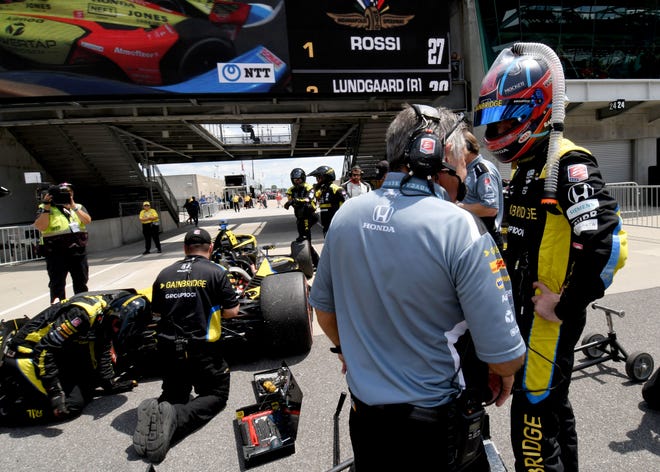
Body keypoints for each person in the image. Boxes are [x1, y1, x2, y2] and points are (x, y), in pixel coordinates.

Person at [309, 104, 527, 471]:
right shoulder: (460, 227)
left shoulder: (345, 216)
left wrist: (354, 354)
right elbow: (505, 355)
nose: (464, 171)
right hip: (436, 430)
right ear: (430, 156)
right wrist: (505, 371)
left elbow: (324, 310)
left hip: (366, 420)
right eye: (459, 160)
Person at [473, 43, 628, 472]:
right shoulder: (527, 166)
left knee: (532, 427)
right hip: (528, 316)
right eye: (490, 119)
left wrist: (565, 303)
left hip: (548, 322)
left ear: (535, 109)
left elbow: (609, 243)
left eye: (504, 117)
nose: (495, 130)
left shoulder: (566, 161)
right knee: (555, 412)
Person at [133, 228, 240, 463]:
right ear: (210, 248)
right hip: (203, 350)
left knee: (175, 391)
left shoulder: (164, 274)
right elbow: (232, 311)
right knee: (215, 394)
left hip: (168, 349)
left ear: (184, 249)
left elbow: (158, 312)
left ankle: (161, 407)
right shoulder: (216, 271)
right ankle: (176, 418)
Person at [0, 290, 143, 425]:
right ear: (116, 315)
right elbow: (44, 349)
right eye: (118, 326)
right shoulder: (82, 315)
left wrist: (109, 383)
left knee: (88, 387)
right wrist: (55, 392)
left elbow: (102, 346)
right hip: (28, 353)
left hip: (54, 352)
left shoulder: (107, 313)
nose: (118, 329)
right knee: (71, 406)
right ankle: (6, 413)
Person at [33, 182, 92, 304]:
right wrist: (46, 207)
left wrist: (74, 206)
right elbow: (41, 226)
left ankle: (81, 306)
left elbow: (87, 221)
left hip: (77, 252)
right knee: (57, 284)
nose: (67, 194)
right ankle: (58, 309)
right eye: (63, 192)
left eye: (69, 192)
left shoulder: (78, 207)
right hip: (55, 253)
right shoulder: (45, 208)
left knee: (81, 281)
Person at [457, 131, 505, 251]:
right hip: (475, 236)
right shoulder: (468, 169)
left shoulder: (482, 171)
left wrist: (457, 207)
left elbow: (491, 209)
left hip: (487, 238)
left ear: (466, 148)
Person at [309, 165, 346, 236]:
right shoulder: (321, 190)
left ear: (326, 177)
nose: (317, 180)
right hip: (326, 225)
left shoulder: (335, 189)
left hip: (336, 224)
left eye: (318, 177)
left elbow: (348, 203)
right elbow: (313, 200)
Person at [284, 168, 319, 243]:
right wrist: (291, 202)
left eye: (299, 179)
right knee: (300, 235)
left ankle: (309, 250)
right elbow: (291, 201)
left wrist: (295, 200)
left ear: (303, 178)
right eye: (295, 179)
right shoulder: (290, 190)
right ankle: (306, 251)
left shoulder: (309, 187)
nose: (297, 181)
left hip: (309, 214)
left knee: (306, 234)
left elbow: (308, 199)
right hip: (299, 216)